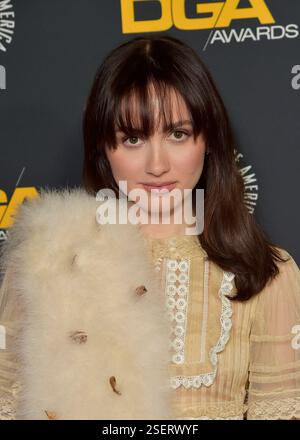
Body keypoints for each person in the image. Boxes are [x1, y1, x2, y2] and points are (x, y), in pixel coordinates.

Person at [0, 34, 300, 420]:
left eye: (177, 134)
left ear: (208, 140)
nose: (156, 164)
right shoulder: (46, 261)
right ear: (103, 150)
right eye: (134, 138)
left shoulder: (267, 275)